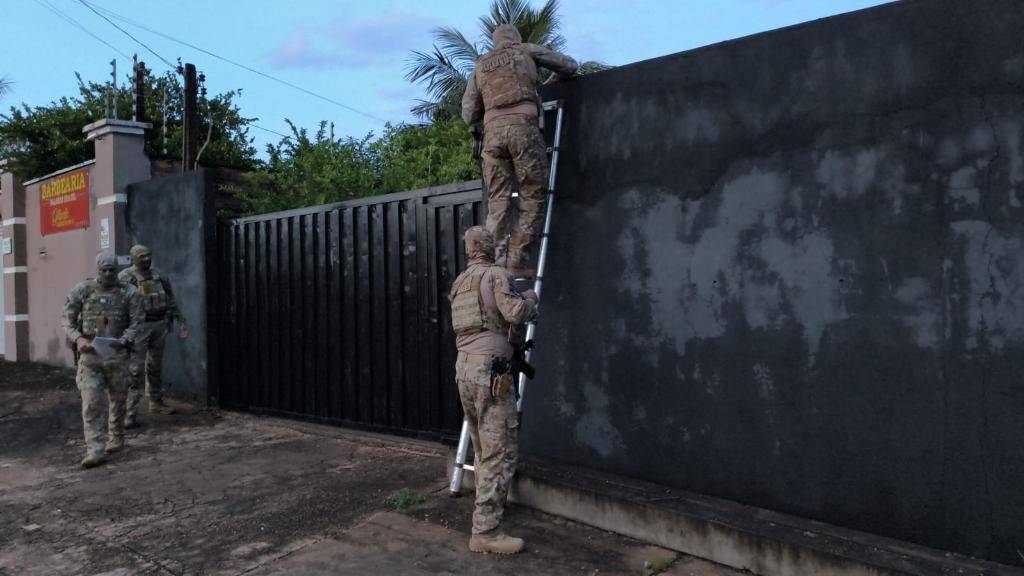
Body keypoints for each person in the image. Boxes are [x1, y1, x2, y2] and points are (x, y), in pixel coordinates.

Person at [461, 24, 578, 279]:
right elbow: (569, 66)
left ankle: (493, 267)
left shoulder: (480, 65)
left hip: (492, 140)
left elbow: (469, 112)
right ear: (515, 38)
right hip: (523, 131)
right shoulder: (525, 50)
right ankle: (516, 260)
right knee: (532, 193)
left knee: (498, 203)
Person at [449, 226, 539, 554]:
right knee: (497, 450)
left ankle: (491, 505)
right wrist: (530, 300)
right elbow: (513, 312)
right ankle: (485, 531)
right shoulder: (496, 274)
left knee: (482, 446)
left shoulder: (460, 282)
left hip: (465, 371)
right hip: (491, 373)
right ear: (490, 248)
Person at [64, 252, 144, 468]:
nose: (108, 274)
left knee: (118, 399)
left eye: (111, 270)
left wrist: (125, 339)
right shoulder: (82, 290)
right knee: (91, 403)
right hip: (90, 356)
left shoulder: (130, 292)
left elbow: (138, 322)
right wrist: (79, 339)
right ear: (97, 269)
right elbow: (67, 319)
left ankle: (116, 436)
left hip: (117, 355)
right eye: (104, 270)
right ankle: (95, 449)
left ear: (117, 269)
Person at [119, 244, 189, 426]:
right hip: (139, 327)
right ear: (133, 257)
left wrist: (180, 320)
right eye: (142, 256)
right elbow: (120, 303)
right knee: (135, 371)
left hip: (159, 324)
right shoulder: (126, 277)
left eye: (148, 255)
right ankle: (130, 412)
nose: (146, 259)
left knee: (155, 367)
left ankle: (155, 402)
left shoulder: (159, 275)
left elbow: (170, 298)